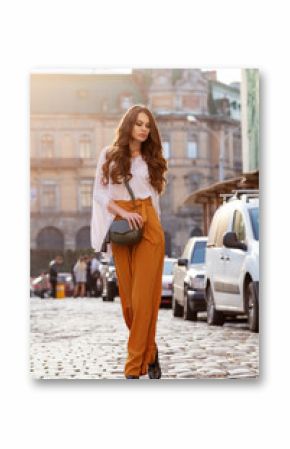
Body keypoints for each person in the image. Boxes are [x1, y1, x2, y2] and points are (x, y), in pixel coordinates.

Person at [91, 104, 167, 379]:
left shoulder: (151, 158)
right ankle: (151, 352)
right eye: (139, 123)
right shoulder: (109, 155)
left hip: (149, 226)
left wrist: (153, 225)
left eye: (148, 125)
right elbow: (99, 194)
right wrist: (122, 212)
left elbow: (154, 200)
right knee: (130, 304)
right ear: (128, 126)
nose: (144, 129)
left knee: (144, 299)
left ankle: (133, 367)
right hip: (122, 225)